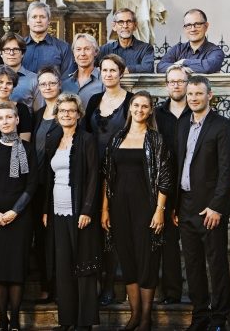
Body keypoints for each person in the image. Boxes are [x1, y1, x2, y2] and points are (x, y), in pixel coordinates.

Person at [101, 91, 173, 331]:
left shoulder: (156, 139)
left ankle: (145, 318)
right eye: (136, 105)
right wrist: (105, 209)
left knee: (147, 260)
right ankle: (134, 316)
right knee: (128, 259)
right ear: (129, 108)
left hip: (147, 207)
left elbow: (164, 177)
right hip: (119, 206)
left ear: (150, 110)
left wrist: (160, 210)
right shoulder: (117, 138)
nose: (139, 110)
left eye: (144, 106)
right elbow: (107, 177)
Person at [177, 75, 230, 331]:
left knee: (217, 264)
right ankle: (199, 316)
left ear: (209, 95)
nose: (193, 98)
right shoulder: (183, 125)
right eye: (190, 94)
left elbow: (226, 171)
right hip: (186, 205)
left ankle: (219, 317)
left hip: (209, 207)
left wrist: (216, 206)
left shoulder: (222, 126)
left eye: (198, 94)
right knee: (193, 266)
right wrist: (176, 207)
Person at [42, 93, 100, 331]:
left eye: (71, 111)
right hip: (57, 211)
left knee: (83, 265)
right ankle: (67, 320)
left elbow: (94, 177)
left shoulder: (87, 140)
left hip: (80, 212)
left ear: (78, 114)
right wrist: (46, 209)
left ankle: (84, 323)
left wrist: (87, 209)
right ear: (56, 115)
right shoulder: (53, 138)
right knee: (63, 265)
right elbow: (48, 176)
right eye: (62, 111)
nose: (66, 114)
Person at [0, 102, 37, 331]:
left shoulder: (27, 148)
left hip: (19, 216)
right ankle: (2, 319)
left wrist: (15, 211)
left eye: (9, 117)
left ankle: (14, 320)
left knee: (16, 269)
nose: (5, 121)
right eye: (0, 118)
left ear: (17, 119)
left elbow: (32, 184)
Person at [83, 54, 133, 306]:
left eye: (114, 70)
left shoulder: (131, 100)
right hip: (94, 170)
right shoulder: (94, 100)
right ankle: (96, 279)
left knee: (111, 228)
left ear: (122, 73)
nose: (109, 74)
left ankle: (111, 284)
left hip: (120, 172)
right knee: (93, 228)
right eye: (104, 70)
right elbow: (85, 132)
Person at [154, 64, 192, 306]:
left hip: (190, 185)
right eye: (172, 81)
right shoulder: (158, 114)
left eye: (181, 81)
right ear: (166, 85)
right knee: (167, 240)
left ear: (188, 84)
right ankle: (171, 292)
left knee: (191, 242)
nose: (176, 85)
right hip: (165, 184)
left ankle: (200, 293)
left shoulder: (196, 112)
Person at [30, 66, 63, 303]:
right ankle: (45, 283)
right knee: (41, 238)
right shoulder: (37, 114)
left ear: (59, 85)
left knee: (58, 236)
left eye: (52, 83)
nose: (48, 87)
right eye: (43, 84)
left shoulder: (68, 112)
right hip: (39, 184)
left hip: (60, 184)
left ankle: (61, 286)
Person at [0, 32, 43, 112]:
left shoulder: (35, 80)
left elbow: (39, 113)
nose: (11, 53)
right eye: (7, 49)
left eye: (16, 49)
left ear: (22, 53)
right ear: (1, 53)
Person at [157, 9, 225, 74]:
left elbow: (208, 67)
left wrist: (184, 62)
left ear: (206, 26)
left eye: (197, 24)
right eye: (188, 25)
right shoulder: (177, 49)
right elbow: (160, 67)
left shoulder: (215, 51)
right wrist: (183, 68)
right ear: (184, 28)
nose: (193, 29)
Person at [21, 1, 76, 76]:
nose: (38, 21)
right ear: (28, 21)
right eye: (34, 17)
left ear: (49, 21)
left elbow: (68, 80)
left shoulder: (63, 48)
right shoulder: (19, 47)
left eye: (42, 17)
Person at [99, 8, 154, 73]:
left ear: (135, 26)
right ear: (114, 26)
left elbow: (148, 68)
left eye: (129, 22)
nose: (125, 26)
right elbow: (90, 65)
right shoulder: (105, 49)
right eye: (121, 22)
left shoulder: (146, 48)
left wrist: (123, 69)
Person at [61, 33, 104, 109]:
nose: (82, 53)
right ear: (74, 53)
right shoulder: (65, 84)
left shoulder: (104, 81)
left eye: (87, 49)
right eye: (78, 49)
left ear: (96, 52)